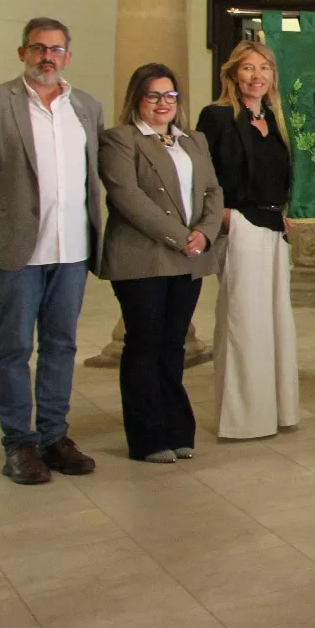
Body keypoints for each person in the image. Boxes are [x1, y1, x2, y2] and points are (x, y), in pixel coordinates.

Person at [0, 18, 103, 483]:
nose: (47, 57)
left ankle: (54, 436)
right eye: (38, 48)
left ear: (67, 56)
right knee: (14, 348)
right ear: (22, 53)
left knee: (61, 345)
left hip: (72, 248)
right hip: (17, 251)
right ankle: (19, 443)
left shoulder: (86, 108)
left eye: (55, 49)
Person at [99, 63, 223, 463]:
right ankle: (148, 437)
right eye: (153, 95)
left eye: (170, 95)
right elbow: (128, 199)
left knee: (173, 344)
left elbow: (213, 191)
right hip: (143, 259)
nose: (163, 103)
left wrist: (204, 232)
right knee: (145, 344)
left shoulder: (194, 141)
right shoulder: (121, 140)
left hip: (189, 257)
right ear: (137, 99)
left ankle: (177, 429)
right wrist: (180, 236)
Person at [196, 41, 297, 439]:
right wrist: (220, 215)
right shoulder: (218, 116)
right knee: (244, 323)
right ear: (233, 73)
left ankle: (277, 410)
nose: (257, 76)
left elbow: (284, 174)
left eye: (264, 69)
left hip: (275, 229)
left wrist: (288, 209)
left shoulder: (278, 119)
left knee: (276, 323)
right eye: (248, 68)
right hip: (239, 225)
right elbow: (200, 172)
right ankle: (243, 419)